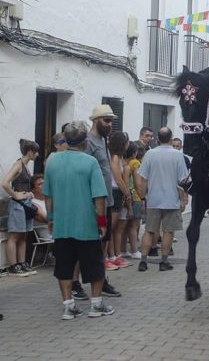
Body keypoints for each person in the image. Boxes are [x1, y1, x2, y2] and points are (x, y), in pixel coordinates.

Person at [44, 121, 114, 320]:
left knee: (64, 266)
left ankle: (68, 306)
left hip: (62, 224)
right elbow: (99, 197)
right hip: (86, 224)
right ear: (84, 142)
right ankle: (96, 304)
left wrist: (51, 217)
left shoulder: (53, 162)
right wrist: (101, 222)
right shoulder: (90, 162)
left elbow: (48, 195)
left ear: (66, 139)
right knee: (94, 265)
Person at [137, 127, 188, 272]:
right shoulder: (178, 155)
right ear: (171, 139)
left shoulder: (150, 154)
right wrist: (183, 199)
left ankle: (143, 261)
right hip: (171, 199)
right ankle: (164, 261)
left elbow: (143, 178)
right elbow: (183, 180)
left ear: (157, 139)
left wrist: (143, 197)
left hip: (154, 198)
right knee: (168, 231)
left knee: (149, 230)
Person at [84, 104, 121, 297]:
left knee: (103, 244)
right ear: (95, 120)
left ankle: (102, 280)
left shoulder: (104, 141)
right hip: (94, 201)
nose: (110, 124)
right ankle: (78, 283)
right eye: (106, 120)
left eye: (111, 121)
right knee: (90, 245)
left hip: (106, 200)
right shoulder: (89, 142)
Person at [1, 139, 40, 277]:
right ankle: (13, 266)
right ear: (30, 152)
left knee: (23, 235)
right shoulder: (18, 165)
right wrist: (15, 195)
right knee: (14, 236)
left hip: (26, 205)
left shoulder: (26, 166)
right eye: (36, 152)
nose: (37, 155)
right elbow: (5, 183)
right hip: (18, 205)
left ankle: (22, 263)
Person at [107, 131, 131, 269]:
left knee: (114, 226)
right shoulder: (115, 158)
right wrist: (126, 193)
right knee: (111, 226)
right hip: (115, 192)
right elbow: (118, 179)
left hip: (117, 192)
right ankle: (109, 256)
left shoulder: (118, 157)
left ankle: (113, 255)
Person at [121, 141, 143, 259]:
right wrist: (142, 196)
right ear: (134, 153)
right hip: (135, 197)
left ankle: (123, 249)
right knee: (134, 225)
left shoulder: (123, 163)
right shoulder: (135, 163)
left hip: (126, 196)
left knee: (125, 226)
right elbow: (138, 183)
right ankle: (135, 250)